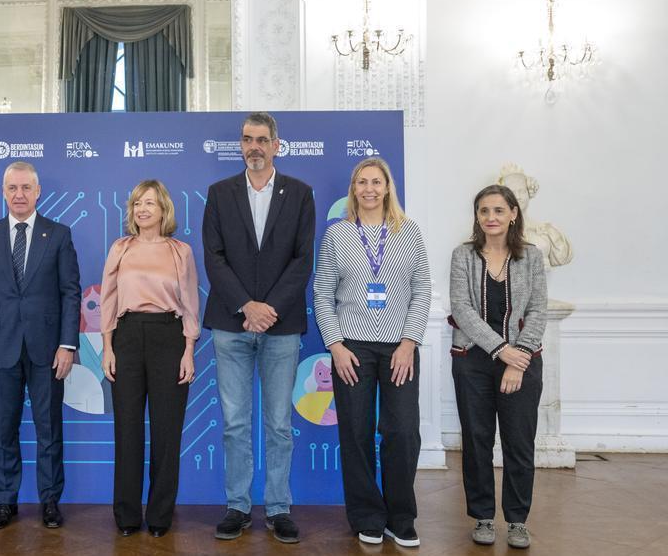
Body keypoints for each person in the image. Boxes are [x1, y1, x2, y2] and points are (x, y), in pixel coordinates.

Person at [201, 112, 314, 543]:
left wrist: (269, 310)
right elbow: (214, 257)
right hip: (230, 324)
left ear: (276, 145)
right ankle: (238, 505)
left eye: (262, 140)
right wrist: (246, 306)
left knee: (280, 422)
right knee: (234, 422)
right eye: (247, 140)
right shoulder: (220, 192)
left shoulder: (300, 194)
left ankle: (280, 507)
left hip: (282, 327)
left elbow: (303, 259)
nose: (254, 147)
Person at [313, 157, 431, 548]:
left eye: (376, 182)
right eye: (362, 182)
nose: (369, 189)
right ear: (353, 188)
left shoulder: (409, 232)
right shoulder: (338, 235)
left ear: (387, 188)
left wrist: (409, 343)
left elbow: (422, 291)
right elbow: (322, 294)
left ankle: (401, 516)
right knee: (355, 431)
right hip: (352, 348)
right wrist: (336, 346)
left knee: (401, 431)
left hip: (400, 347)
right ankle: (367, 515)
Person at [0, 161, 81, 530]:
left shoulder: (59, 234)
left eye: (26, 188)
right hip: (0, 350)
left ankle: (50, 501)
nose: (19, 194)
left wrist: (67, 345)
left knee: (50, 429)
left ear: (38, 192)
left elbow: (70, 293)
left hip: (48, 350)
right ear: (3, 192)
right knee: (4, 430)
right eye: (12, 188)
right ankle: (5, 502)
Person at [448, 184, 547, 550]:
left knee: (519, 443)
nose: (491, 218)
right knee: (476, 441)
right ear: (477, 216)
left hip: (523, 362)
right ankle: (483, 517)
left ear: (513, 214)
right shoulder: (463, 255)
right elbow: (462, 309)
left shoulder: (531, 257)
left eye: (498, 211)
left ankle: (518, 521)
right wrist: (501, 350)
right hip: (472, 361)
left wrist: (516, 358)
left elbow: (538, 309)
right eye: (484, 211)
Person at [99, 180, 199, 538]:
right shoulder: (120, 248)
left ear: (164, 210)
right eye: (138, 203)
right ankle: (126, 515)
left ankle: (160, 516)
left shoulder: (180, 251)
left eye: (150, 204)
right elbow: (108, 300)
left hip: (169, 338)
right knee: (126, 429)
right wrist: (108, 348)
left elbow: (189, 302)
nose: (142, 209)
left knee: (166, 432)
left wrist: (188, 350)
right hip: (126, 337)